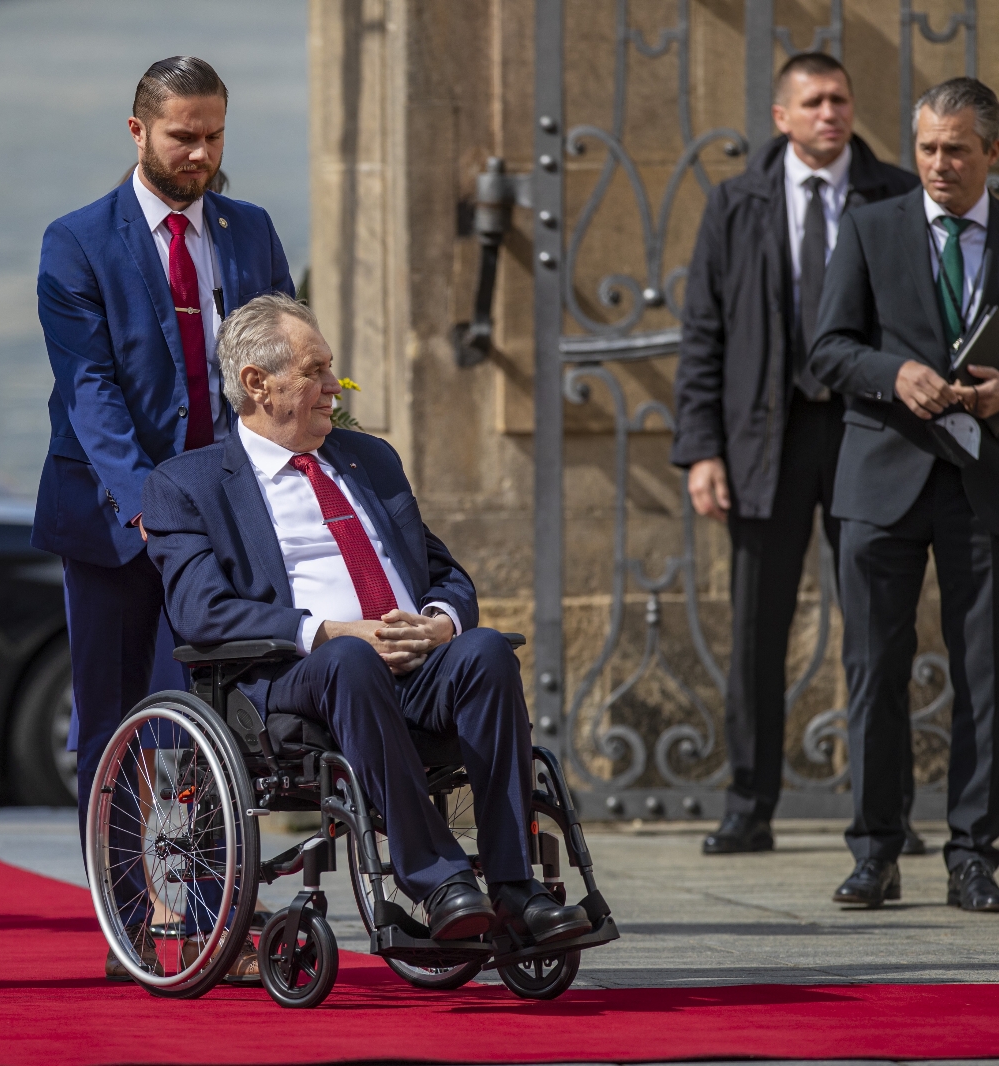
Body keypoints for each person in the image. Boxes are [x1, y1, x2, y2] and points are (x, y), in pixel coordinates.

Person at [141, 293, 593, 945]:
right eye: (315, 370)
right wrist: (326, 632)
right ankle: (438, 879)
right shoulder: (189, 483)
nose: (333, 386)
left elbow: (444, 572)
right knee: (351, 660)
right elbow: (199, 609)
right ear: (256, 384)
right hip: (292, 678)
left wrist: (440, 621)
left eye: (331, 370)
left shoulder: (369, 459)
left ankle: (515, 887)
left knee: (487, 650)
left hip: (415, 666)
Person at [34, 56, 293, 981]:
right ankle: (134, 921)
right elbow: (91, 390)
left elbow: (279, 359)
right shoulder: (77, 242)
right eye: (184, 135)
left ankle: (224, 909)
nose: (202, 152)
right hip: (114, 523)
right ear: (137, 131)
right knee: (114, 723)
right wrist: (151, 507)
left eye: (216, 134)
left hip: (228, 521)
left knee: (228, 717)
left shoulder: (249, 230)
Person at [810, 77, 999, 911]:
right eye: (927, 148)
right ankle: (875, 852)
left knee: (984, 676)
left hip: (985, 484)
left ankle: (972, 858)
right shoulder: (873, 227)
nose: (940, 163)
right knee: (874, 670)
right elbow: (830, 350)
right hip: (880, 479)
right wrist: (894, 374)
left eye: (957, 149)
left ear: (992, 152)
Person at [674, 53, 922, 856]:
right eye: (813, 101)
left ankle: (886, 815)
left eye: (841, 100)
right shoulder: (737, 202)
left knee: (879, 628)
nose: (830, 113)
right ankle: (749, 805)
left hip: (871, 434)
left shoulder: (894, 193)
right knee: (757, 629)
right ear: (781, 116)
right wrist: (701, 449)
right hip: (763, 441)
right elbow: (704, 334)